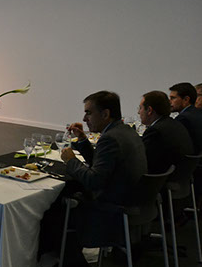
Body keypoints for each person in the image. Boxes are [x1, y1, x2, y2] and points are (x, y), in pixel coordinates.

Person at [59, 91, 147, 245]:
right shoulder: (126, 131)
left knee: (56, 204)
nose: (84, 119)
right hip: (132, 201)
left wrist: (71, 161)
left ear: (105, 114)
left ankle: (65, 256)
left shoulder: (110, 138)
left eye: (88, 113)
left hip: (110, 209)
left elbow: (94, 181)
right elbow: (103, 165)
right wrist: (82, 140)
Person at [138, 90, 193, 174]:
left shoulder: (156, 131)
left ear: (149, 110)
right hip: (181, 176)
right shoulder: (175, 124)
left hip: (161, 178)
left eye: (140, 108)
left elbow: (143, 162)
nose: (138, 112)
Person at [170, 82, 202, 153]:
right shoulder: (197, 113)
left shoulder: (183, 118)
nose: (170, 102)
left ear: (186, 100)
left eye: (173, 98)